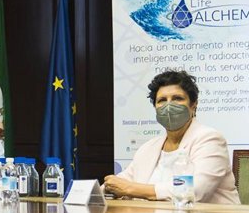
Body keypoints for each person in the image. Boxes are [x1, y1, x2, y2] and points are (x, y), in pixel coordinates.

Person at [102, 70, 240, 205]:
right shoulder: (148, 148)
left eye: (177, 98)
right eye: (162, 100)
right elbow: (121, 182)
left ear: (193, 105)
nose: (168, 106)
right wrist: (105, 188)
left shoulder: (210, 139)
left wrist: (131, 189)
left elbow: (194, 191)